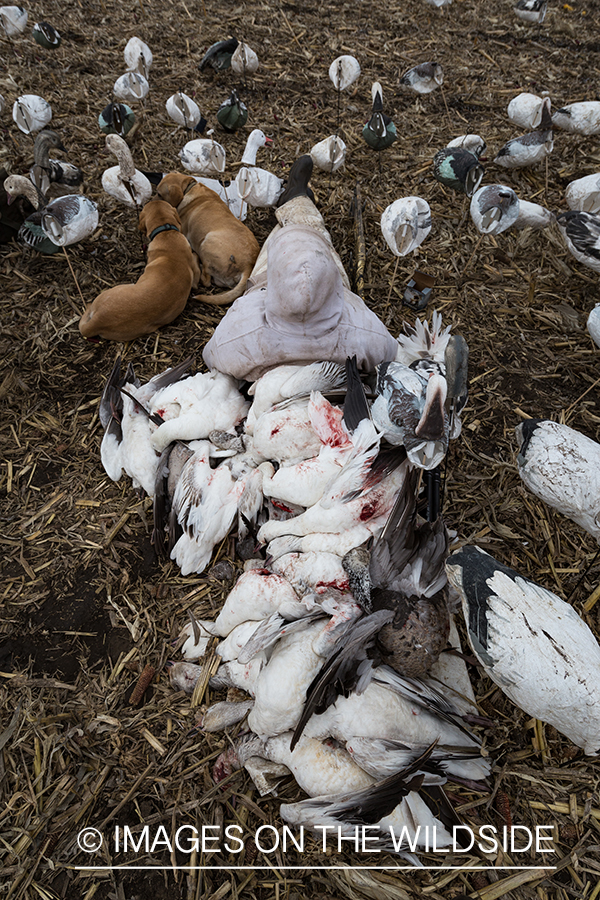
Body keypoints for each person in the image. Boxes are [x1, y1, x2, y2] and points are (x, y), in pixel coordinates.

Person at [202, 156, 399, 381]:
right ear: (333, 280)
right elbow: (392, 357)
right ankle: (299, 201)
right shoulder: (367, 332)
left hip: (271, 395)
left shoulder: (239, 332)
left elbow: (211, 357)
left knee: (281, 240)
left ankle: (294, 201)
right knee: (313, 235)